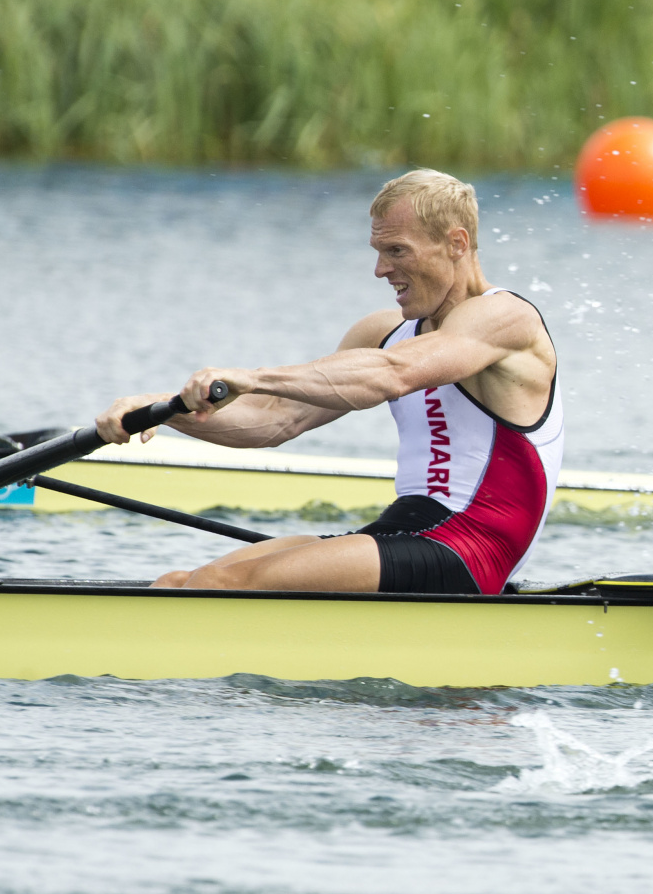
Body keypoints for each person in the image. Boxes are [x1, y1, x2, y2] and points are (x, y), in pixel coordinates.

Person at [96, 169, 564, 595]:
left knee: (219, 584)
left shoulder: (505, 318)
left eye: (397, 251)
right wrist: (163, 408)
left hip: (471, 548)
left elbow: (393, 375)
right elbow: (274, 422)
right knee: (178, 583)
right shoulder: (382, 333)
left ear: (457, 243)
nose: (381, 270)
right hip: (403, 532)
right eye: (379, 253)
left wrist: (253, 377)